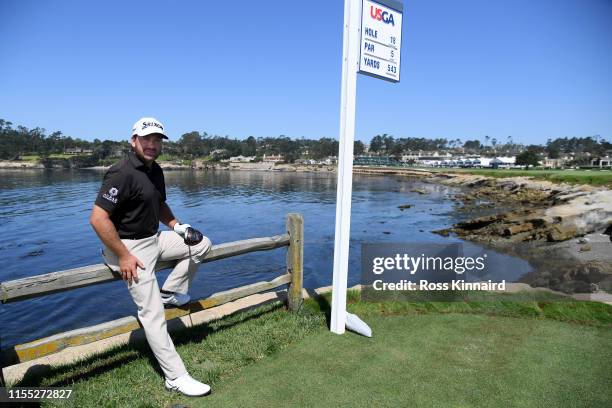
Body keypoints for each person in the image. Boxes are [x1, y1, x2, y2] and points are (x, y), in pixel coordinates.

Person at [89, 117, 213, 397]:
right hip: (127, 247)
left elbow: (158, 204)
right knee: (153, 314)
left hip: (153, 238)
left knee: (202, 244)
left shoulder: (154, 170)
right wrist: (122, 256)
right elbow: (97, 219)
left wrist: (178, 227)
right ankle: (176, 377)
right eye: (146, 139)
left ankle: (172, 291)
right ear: (134, 141)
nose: (152, 145)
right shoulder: (120, 172)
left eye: (157, 140)